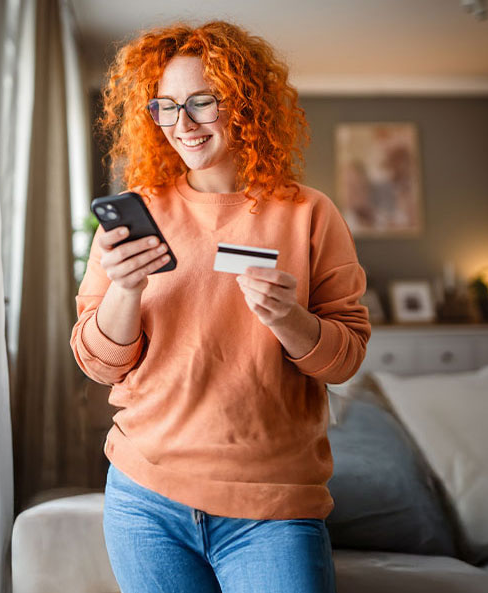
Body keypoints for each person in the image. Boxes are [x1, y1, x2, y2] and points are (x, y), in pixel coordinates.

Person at [70, 20, 371, 593]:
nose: (182, 124)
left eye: (202, 102)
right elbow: (99, 363)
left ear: (245, 101)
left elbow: (344, 360)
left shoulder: (309, 214)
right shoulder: (137, 214)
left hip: (273, 505)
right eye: (165, 106)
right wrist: (126, 290)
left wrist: (290, 319)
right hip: (145, 499)